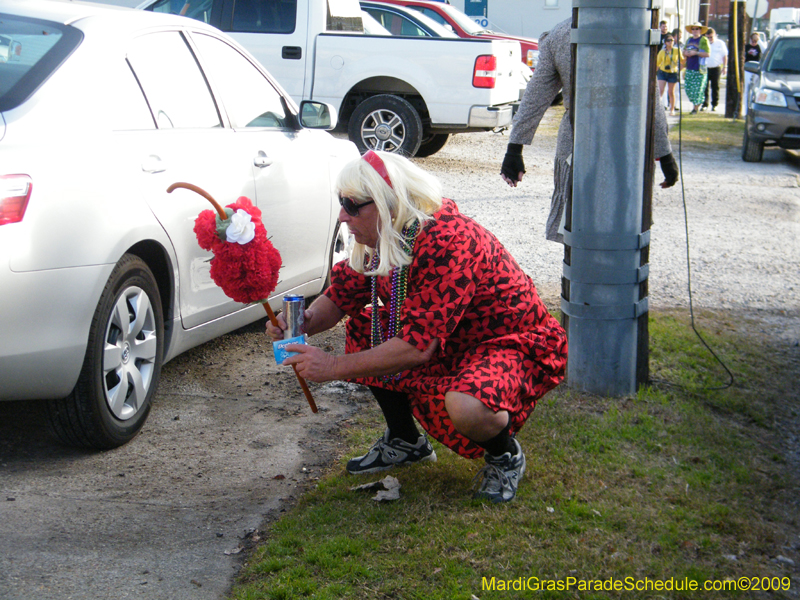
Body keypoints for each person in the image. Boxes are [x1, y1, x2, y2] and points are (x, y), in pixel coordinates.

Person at [268, 150, 568, 503]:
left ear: (389, 203)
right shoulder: (391, 233)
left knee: (468, 406)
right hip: (451, 342)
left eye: (352, 205)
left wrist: (332, 366)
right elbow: (342, 295)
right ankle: (405, 441)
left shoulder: (449, 239)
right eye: (341, 203)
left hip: (509, 343)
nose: (342, 215)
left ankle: (505, 455)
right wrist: (302, 321)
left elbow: (416, 348)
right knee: (368, 329)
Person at [499, 18, 679, 243]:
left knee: (578, 230)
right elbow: (650, 98)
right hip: (623, 143)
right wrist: (665, 154)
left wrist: (515, 148)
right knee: (622, 230)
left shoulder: (561, 33)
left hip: (588, 144)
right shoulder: (634, 28)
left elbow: (535, 97)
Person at [683, 22, 710, 114]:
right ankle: (697, 103)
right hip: (689, 67)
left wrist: (696, 53)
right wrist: (686, 53)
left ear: (700, 30)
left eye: (697, 29)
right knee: (688, 88)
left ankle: (695, 108)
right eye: (693, 29)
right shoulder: (689, 40)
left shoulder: (703, 40)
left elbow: (707, 54)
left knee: (698, 90)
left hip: (700, 69)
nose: (695, 30)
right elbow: (684, 51)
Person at [702, 28, 728, 111]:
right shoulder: (704, 43)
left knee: (715, 86)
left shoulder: (720, 43)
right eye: (708, 37)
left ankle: (715, 104)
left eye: (711, 37)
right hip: (705, 67)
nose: (710, 39)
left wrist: (725, 67)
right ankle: (705, 104)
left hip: (716, 67)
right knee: (704, 87)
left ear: (715, 35)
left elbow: (724, 55)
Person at [657, 35, 684, 116]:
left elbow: (682, 61)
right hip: (663, 72)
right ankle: (658, 108)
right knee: (661, 90)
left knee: (671, 92)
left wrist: (680, 68)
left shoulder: (677, 50)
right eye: (668, 40)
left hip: (673, 72)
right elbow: (657, 63)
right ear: (665, 42)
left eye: (672, 40)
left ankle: (672, 109)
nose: (670, 42)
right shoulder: (662, 52)